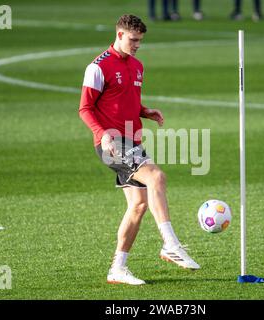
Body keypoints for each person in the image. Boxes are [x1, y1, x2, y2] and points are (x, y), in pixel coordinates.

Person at [79, 14, 200, 286]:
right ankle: (170, 244)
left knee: (138, 206)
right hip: (111, 142)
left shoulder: (137, 65)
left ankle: (117, 269)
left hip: (132, 141)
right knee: (156, 176)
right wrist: (102, 135)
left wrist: (145, 112)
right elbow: (85, 108)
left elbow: (124, 101)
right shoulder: (98, 67)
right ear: (119, 35)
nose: (137, 45)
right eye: (133, 40)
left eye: (140, 41)